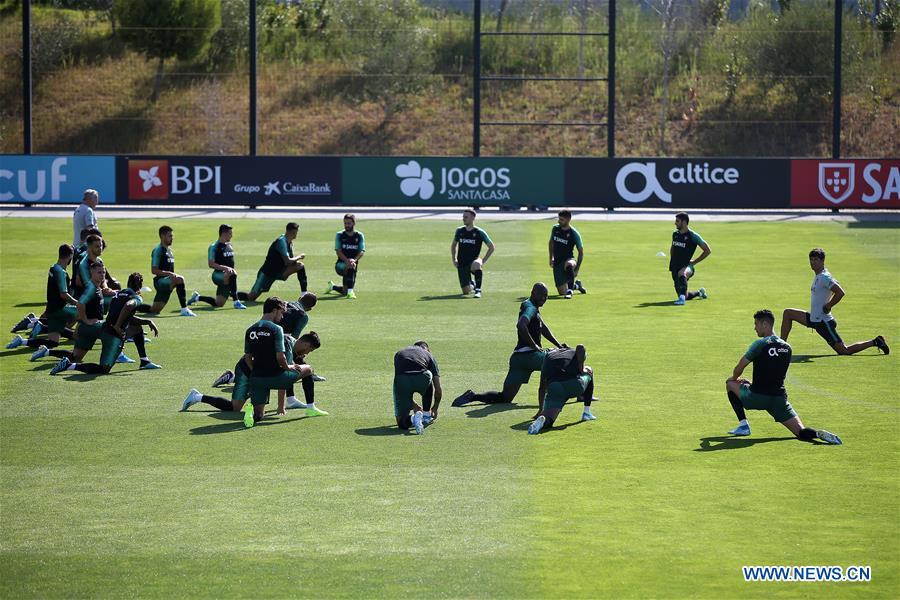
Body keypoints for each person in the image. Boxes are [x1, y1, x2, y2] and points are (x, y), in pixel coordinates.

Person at [725, 309, 843, 444]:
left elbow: (739, 368)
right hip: (779, 399)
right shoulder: (787, 347)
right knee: (800, 432)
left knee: (729, 384)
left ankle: (743, 425)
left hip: (757, 397)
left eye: (756, 324)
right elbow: (773, 373)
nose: (755, 328)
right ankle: (817, 433)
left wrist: (735, 378)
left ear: (765, 324)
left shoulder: (759, 344)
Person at [452, 282, 566, 410]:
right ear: (533, 293)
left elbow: (543, 328)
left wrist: (558, 345)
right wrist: (534, 345)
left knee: (505, 397)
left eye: (546, 296)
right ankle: (579, 393)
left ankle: (472, 396)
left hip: (518, 359)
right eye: (541, 295)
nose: (544, 298)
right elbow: (521, 325)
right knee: (558, 361)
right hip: (530, 356)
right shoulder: (531, 308)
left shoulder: (529, 305)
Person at [182, 331, 323, 417]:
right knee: (235, 408)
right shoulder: (287, 344)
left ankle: (310, 406)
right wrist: (281, 407)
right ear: (305, 344)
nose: (308, 353)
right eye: (310, 350)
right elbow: (284, 377)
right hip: (246, 369)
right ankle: (197, 397)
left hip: (259, 373)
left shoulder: (294, 347)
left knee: (237, 409)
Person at [780, 248, 889, 356]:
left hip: (823, 323)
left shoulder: (824, 277)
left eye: (816, 259)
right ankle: (781, 347)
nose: (813, 262)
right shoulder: (820, 275)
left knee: (844, 351)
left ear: (822, 261)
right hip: (814, 319)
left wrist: (828, 305)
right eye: (811, 260)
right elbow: (834, 284)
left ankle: (876, 341)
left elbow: (840, 292)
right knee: (788, 313)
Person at [51, 273, 160, 375]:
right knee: (104, 369)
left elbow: (126, 316)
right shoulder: (136, 297)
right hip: (112, 335)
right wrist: (118, 326)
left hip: (101, 327)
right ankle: (70, 366)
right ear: (140, 287)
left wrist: (147, 321)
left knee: (137, 328)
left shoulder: (118, 294)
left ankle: (144, 361)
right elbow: (129, 305)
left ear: (128, 283)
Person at [7, 245, 78, 351]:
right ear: (70, 256)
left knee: (53, 343)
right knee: (82, 312)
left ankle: (22, 341)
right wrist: (77, 302)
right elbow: (63, 294)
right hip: (60, 310)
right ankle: (32, 323)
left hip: (52, 310)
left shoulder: (54, 267)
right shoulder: (61, 272)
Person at [528, 344, 597, 434]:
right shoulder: (572, 351)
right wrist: (582, 369)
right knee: (589, 369)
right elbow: (580, 347)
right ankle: (586, 412)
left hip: (554, 388)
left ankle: (542, 422)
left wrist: (541, 409)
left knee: (549, 418)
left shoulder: (548, 357)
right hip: (573, 386)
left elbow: (542, 387)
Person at [138, 225, 196, 317]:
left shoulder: (169, 251)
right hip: (160, 282)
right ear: (162, 236)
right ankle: (184, 309)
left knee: (154, 310)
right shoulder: (158, 250)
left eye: (172, 236)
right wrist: (170, 274)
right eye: (170, 236)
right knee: (180, 279)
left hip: (167, 281)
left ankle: (133, 306)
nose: (172, 238)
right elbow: (154, 270)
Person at [190, 224, 249, 310]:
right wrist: (225, 268)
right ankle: (236, 302)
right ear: (224, 234)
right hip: (218, 275)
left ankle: (197, 297)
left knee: (219, 303)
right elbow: (211, 264)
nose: (231, 235)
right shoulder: (214, 247)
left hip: (227, 275)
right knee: (233, 273)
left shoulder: (229, 245)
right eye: (230, 233)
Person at [247, 223, 307, 302]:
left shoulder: (289, 242)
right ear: (292, 232)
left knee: (300, 266)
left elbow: (290, 261)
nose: (297, 234)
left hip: (281, 271)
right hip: (268, 272)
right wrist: (299, 257)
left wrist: (295, 261)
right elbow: (288, 261)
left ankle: (304, 294)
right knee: (251, 297)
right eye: (296, 232)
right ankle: (233, 294)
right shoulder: (281, 241)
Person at [393, 341, 442, 434]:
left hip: (402, 380)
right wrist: (435, 408)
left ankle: (413, 418)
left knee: (401, 422)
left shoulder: (399, 353)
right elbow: (438, 389)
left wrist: (414, 405)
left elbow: (401, 388)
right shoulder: (429, 355)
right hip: (423, 378)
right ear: (428, 349)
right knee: (429, 377)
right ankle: (427, 415)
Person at [451, 209, 495, 298]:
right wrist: (454, 259)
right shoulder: (459, 231)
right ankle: (473, 284)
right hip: (462, 262)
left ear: (473, 218)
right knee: (466, 291)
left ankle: (478, 290)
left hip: (473, 260)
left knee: (477, 264)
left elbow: (491, 247)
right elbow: (454, 245)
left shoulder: (479, 232)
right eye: (463, 217)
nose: (464, 219)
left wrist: (483, 260)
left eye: (466, 217)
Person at [669, 212, 710, 305]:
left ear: (684, 222)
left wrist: (694, 262)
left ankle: (681, 301)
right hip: (675, 266)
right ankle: (700, 293)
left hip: (687, 266)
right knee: (684, 294)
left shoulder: (693, 236)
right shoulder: (675, 234)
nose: (675, 223)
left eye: (677, 221)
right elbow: (672, 248)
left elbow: (707, 250)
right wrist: (672, 261)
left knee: (682, 273)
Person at [325, 214, 365, 299]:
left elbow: (361, 251)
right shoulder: (339, 235)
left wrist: (354, 260)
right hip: (340, 265)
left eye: (349, 223)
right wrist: (347, 261)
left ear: (354, 223)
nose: (347, 225)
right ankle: (351, 294)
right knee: (350, 266)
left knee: (344, 291)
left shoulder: (359, 235)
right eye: (345, 223)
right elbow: (338, 251)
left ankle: (332, 287)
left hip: (353, 264)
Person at [548, 210, 585, 299]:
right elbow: (551, 243)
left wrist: (577, 269)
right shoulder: (555, 229)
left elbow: (580, 251)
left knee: (569, 264)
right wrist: (551, 258)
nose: (559, 221)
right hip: (557, 262)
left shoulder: (574, 233)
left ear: (568, 219)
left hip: (569, 258)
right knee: (561, 292)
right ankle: (576, 286)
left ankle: (570, 291)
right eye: (559, 219)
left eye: (561, 219)